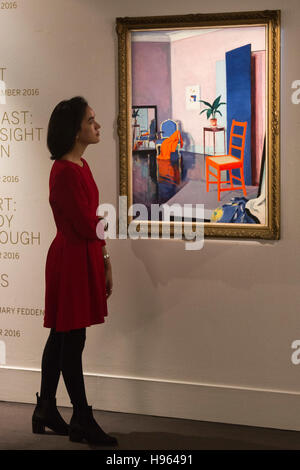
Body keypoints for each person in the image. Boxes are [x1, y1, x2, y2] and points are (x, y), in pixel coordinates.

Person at [32, 96, 118, 447]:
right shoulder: (65, 172)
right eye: (91, 121)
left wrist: (104, 255)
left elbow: (89, 221)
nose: (97, 126)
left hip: (80, 254)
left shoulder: (80, 166)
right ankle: (81, 416)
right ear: (75, 130)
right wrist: (106, 234)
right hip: (71, 259)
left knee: (61, 334)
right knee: (72, 337)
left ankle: (46, 409)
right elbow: (85, 222)